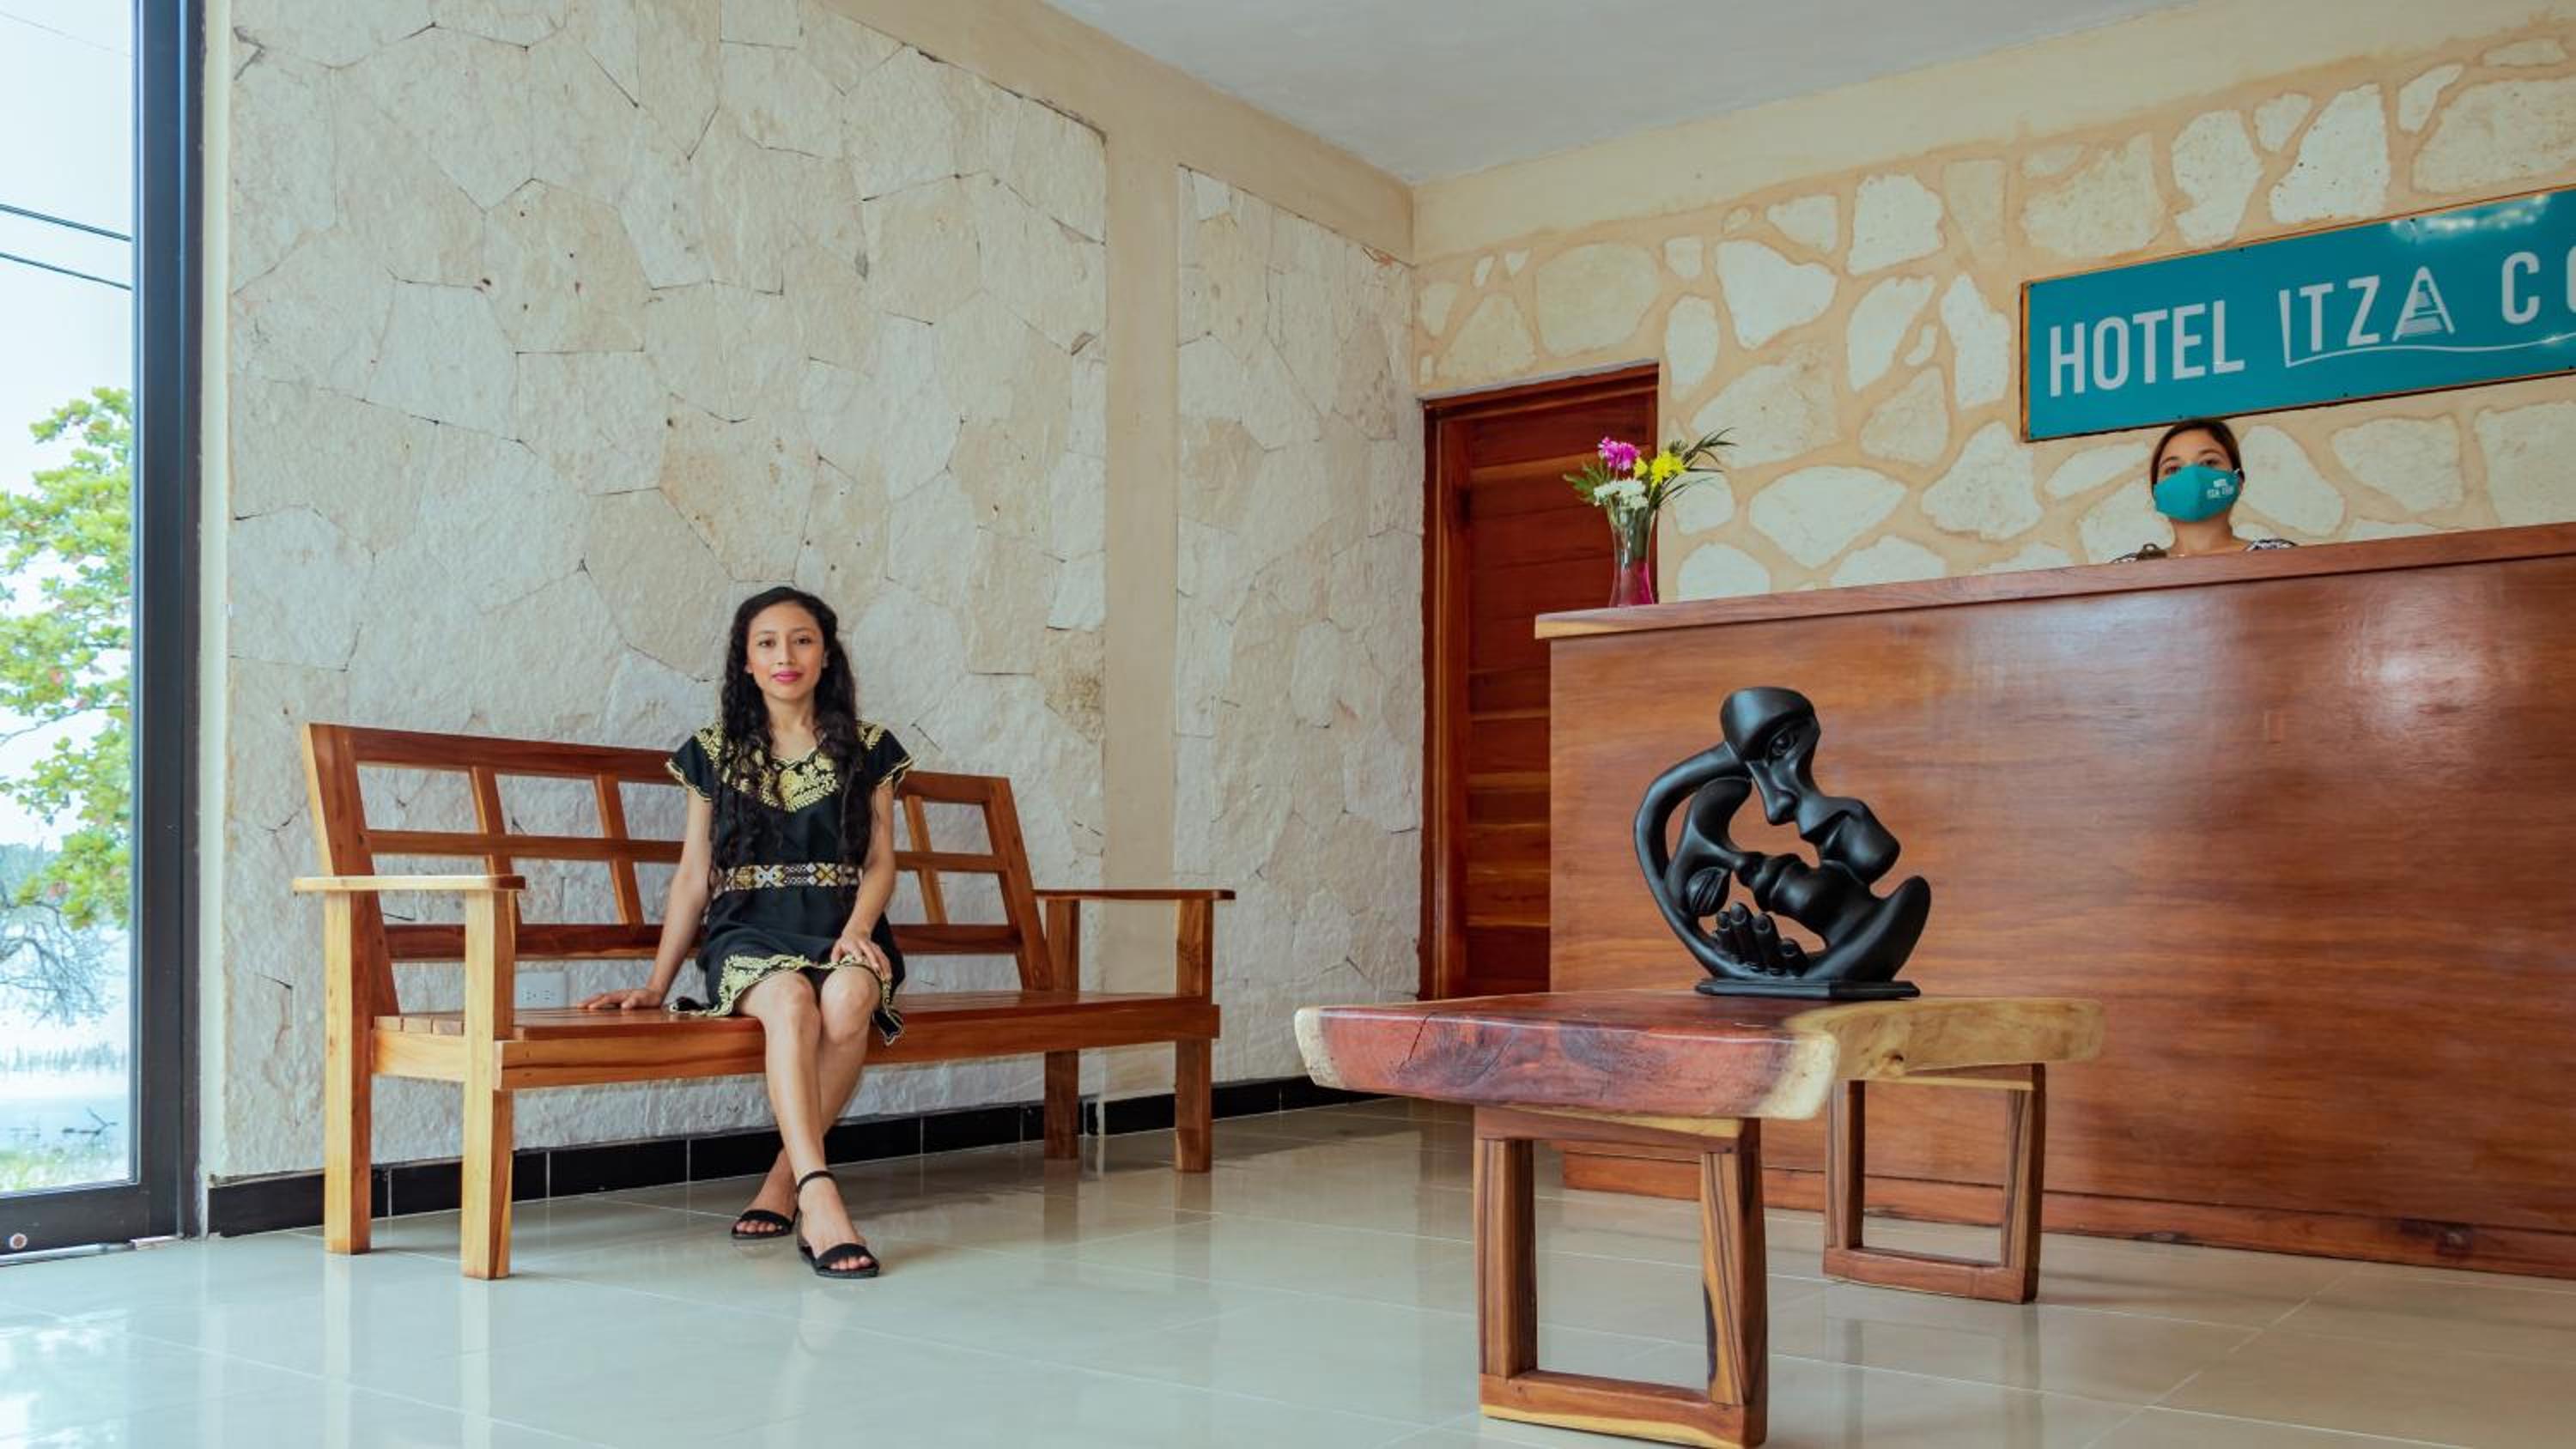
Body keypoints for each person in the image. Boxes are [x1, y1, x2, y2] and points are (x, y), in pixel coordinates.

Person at [579, 585, 912, 1280]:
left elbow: (882, 861)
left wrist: (859, 929)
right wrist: (657, 983)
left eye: (802, 640)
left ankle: (786, 1183)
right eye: (767, 643)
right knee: (790, 999)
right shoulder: (714, 751)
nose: (785, 655)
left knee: (850, 997)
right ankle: (821, 1197)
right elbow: (693, 876)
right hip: (749, 930)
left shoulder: (870, 747)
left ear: (826, 655)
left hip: (841, 925)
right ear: (747, 661)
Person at [2115, 416, 2297, 561]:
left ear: (2238, 481)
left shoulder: (2281, 557)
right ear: (2157, 493)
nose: (2192, 477)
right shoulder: (2128, 570)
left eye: (2209, 462)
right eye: (2173, 469)